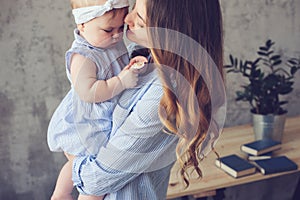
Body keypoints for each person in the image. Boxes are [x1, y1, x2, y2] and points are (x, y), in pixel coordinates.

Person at [66, 0, 226, 199]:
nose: (127, 19)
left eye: (140, 20)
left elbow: (94, 180)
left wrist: (71, 153)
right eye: (133, 7)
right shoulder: (141, 55)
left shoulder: (163, 94)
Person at [47, 0, 148, 199]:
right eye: (108, 30)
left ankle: (62, 193)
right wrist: (120, 81)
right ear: (82, 25)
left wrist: (131, 65)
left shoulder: (110, 42)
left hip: (104, 117)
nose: (117, 35)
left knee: (80, 165)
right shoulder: (83, 56)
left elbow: (118, 66)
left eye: (121, 28)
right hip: (87, 121)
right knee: (93, 180)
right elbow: (89, 92)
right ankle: (61, 193)